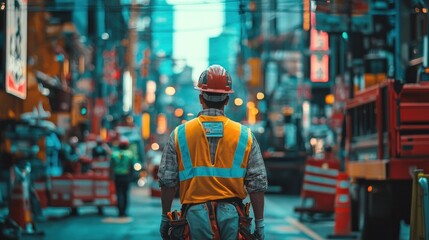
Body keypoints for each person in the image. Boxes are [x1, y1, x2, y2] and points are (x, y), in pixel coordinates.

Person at [158, 64, 268, 240]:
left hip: (194, 217)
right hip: (233, 218)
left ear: (201, 97)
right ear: (227, 100)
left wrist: (165, 217)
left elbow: (167, 180)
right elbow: (257, 183)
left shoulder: (180, 134)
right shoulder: (245, 135)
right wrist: (260, 224)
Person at [110, 137, 136, 217]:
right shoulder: (130, 154)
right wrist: (132, 177)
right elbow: (131, 167)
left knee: (119, 194)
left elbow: (111, 166)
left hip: (117, 176)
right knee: (125, 194)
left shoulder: (114, 154)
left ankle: (119, 211)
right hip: (126, 176)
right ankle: (124, 211)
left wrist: (111, 176)